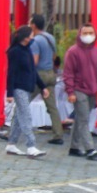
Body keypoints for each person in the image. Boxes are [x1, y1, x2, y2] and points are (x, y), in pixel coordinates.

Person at [62, 23, 97, 161]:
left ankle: (74, 147)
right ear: (80, 35)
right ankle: (90, 148)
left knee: (80, 119)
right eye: (85, 33)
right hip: (78, 89)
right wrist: (70, 92)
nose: (88, 36)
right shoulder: (73, 52)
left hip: (92, 91)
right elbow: (68, 73)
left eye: (90, 33)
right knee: (83, 119)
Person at [4, 25, 50, 159]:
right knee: (26, 116)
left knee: (19, 116)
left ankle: (11, 143)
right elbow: (11, 72)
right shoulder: (15, 52)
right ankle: (31, 146)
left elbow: (33, 71)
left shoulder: (27, 50)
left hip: (28, 87)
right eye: (31, 35)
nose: (32, 37)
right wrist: (10, 93)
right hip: (19, 88)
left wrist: (42, 87)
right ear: (25, 37)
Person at [29, 14, 64, 144]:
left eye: (29, 23)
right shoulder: (50, 38)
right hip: (50, 74)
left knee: (22, 103)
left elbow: (35, 61)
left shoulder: (35, 41)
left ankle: (11, 132)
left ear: (33, 25)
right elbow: (54, 56)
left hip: (39, 75)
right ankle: (58, 134)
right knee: (52, 107)